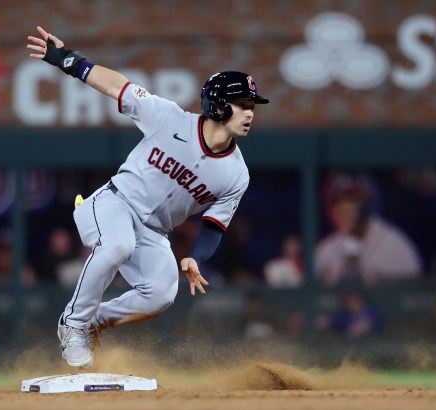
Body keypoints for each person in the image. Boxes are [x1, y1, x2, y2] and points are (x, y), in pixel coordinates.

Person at [27, 26, 269, 367]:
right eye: (241, 104)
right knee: (117, 245)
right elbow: (118, 86)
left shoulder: (236, 174)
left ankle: (94, 321)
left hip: (154, 232)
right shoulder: (169, 117)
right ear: (216, 105)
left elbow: (215, 225)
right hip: (113, 203)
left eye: (252, 107)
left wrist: (196, 256)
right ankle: (74, 322)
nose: (249, 113)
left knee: (160, 295)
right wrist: (69, 60)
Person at [315, 171, 422, 286]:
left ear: (367, 206)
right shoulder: (325, 252)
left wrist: (382, 288)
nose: (345, 208)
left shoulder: (397, 249)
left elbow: (414, 296)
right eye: (338, 201)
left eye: (354, 201)